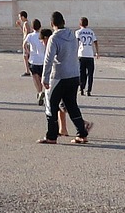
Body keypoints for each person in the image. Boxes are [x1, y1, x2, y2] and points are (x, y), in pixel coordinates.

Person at [39, 13, 91, 145]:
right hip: (73, 74)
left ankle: (51, 136)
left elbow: (48, 59)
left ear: (52, 24)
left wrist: (45, 77)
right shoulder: (72, 35)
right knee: (72, 105)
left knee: (51, 105)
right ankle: (82, 134)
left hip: (59, 76)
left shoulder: (54, 38)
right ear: (64, 22)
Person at [23, 21, 48, 104]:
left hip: (33, 60)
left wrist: (28, 52)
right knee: (42, 78)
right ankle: (42, 92)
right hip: (43, 60)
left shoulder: (30, 36)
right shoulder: (42, 35)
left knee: (35, 77)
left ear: (32, 27)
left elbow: (24, 44)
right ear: (40, 26)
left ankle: (39, 91)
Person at [76, 18, 98, 96]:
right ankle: (88, 90)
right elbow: (95, 41)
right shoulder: (91, 32)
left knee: (82, 73)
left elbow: (76, 42)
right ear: (87, 24)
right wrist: (97, 52)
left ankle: (81, 89)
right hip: (90, 55)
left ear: (80, 24)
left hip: (81, 54)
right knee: (90, 74)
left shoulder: (78, 32)